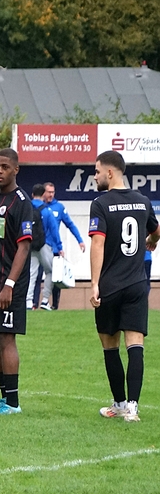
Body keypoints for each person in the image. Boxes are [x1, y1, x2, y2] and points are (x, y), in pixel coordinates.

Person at [88, 150, 159, 423]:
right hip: (137, 284)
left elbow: (98, 243)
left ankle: (118, 403)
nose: (95, 176)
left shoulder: (100, 204)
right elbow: (156, 230)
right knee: (135, 345)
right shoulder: (143, 201)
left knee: (110, 346)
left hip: (111, 286)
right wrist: (152, 241)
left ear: (110, 172)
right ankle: (132, 408)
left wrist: (94, 284)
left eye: (97, 171)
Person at [0, 149, 34, 415]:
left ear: (15, 170)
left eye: (4, 167)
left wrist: (10, 284)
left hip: (11, 283)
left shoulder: (22, 202)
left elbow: (24, 247)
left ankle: (13, 403)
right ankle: (4, 397)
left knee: (6, 337)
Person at [41, 181, 85, 310]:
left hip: (54, 248)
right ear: (43, 193)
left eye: (52, 192)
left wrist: (80, 240)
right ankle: (32, 304)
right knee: (36, 275)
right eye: (48, 192)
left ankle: (54, 305)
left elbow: (70, 224)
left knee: (56, 276)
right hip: (39, 246)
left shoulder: (59, 207)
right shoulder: (39, 207)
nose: (51, 195)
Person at [25, 184, 53, 310]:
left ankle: (28, 301)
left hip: (31, 244)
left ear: (32, 194)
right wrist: (59, 247)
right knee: (50, 271)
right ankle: (45, 300)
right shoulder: (46, 210)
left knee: (32, 273)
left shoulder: (27, 208)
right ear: (43, 195)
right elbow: (53, 230)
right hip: (44, 245)